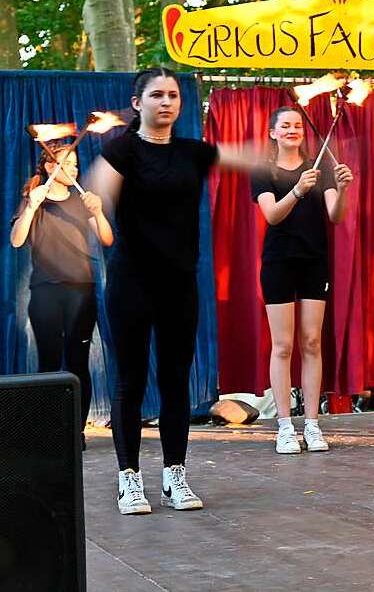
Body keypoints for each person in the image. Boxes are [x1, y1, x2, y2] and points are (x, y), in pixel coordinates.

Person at [89, 67, 264, 515]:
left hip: (179, 282)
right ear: (138, 103)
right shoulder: (121, 150)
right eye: (157, 95)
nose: (166, 102)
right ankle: (129, 479)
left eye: (173, 96)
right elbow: (98, 190)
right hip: (131, 281)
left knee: (174, 381)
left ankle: (174, 475)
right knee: (129, 381)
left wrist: (302, 159)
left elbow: (248, 157)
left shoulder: (193, 152)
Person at [251, 106, 353, 455]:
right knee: (283, 345)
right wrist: (296, 190)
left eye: (297, 125)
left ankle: (311, 423)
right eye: (285, 125)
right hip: (279, 262)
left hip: (314, 263)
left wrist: (341, 189)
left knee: (311, 342)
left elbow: (335, 215)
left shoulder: (321, 167)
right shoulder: (263, 171)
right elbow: (272, 215)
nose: (293, 130)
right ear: (272, 132)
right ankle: (284, 426)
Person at [10, 146, 113, 447]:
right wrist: (30, 207)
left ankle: (75, 431)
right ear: (49, 166)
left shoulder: (82, 201)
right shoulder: (35, 199)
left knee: (78, 361)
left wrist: (98, 212)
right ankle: (49, 432)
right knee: (49, 363)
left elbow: (107, 238)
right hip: (45, 291)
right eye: (66, 163)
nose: (73, 169)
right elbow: (17, 241)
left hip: (82, 290)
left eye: (76, 164)